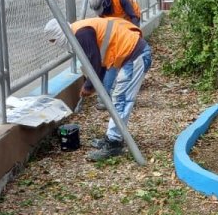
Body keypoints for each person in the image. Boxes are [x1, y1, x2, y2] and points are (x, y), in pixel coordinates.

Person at [44, 15, 151, 162]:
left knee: (121, 99)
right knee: (119, 99)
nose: (56, 44)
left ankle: (114, 143)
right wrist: (92, 85)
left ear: (58, 33)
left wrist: (89, 86)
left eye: (54, 41)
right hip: (132, 54)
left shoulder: (81, 33)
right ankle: (112, 138)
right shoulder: (79, 31)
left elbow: (94, 61)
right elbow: (99, 63)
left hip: (135, 55)